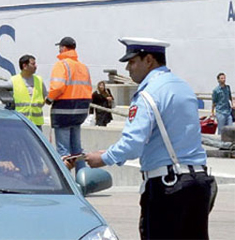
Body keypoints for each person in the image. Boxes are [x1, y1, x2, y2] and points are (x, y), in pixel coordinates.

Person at [85, 38, 215, 240]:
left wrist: (103, 158)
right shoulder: (183, 87)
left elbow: (133, 144)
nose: (128, 68)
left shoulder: (147, 94)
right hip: (198, 183)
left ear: (149, 60)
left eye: (132, 61)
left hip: (168, 185)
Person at [46, 36, 92, 171]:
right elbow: (88, 88)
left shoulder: (61, 65)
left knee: (63, 151)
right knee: (77, 150)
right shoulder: (83, 67)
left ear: (63, 48)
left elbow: (58, 87)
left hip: (63, 110)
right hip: (80, 111)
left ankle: (65, 184)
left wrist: (49, 99)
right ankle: (83, 180)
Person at [10, 54, 47, 128]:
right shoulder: (13, 81)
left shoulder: (39, 80)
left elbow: (45, 96)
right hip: (20, 122)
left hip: (36, 123)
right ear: (25, 66)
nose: (35, 66)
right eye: (33, 64)